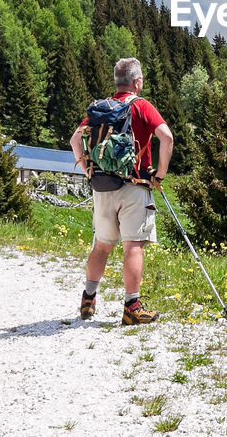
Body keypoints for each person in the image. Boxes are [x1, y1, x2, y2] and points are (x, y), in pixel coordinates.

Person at [71, 57, 172, 324]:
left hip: (102, 187)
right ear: (137, 82)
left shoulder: (101, 109)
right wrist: (159, 175)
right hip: (135, 186)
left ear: (118, 82)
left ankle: (88, 300)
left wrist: (89, 171)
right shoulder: (141, 106)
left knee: (102, 245)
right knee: (133, 247)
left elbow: (74, 140)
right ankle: (131, 307)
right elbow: (167, 137)